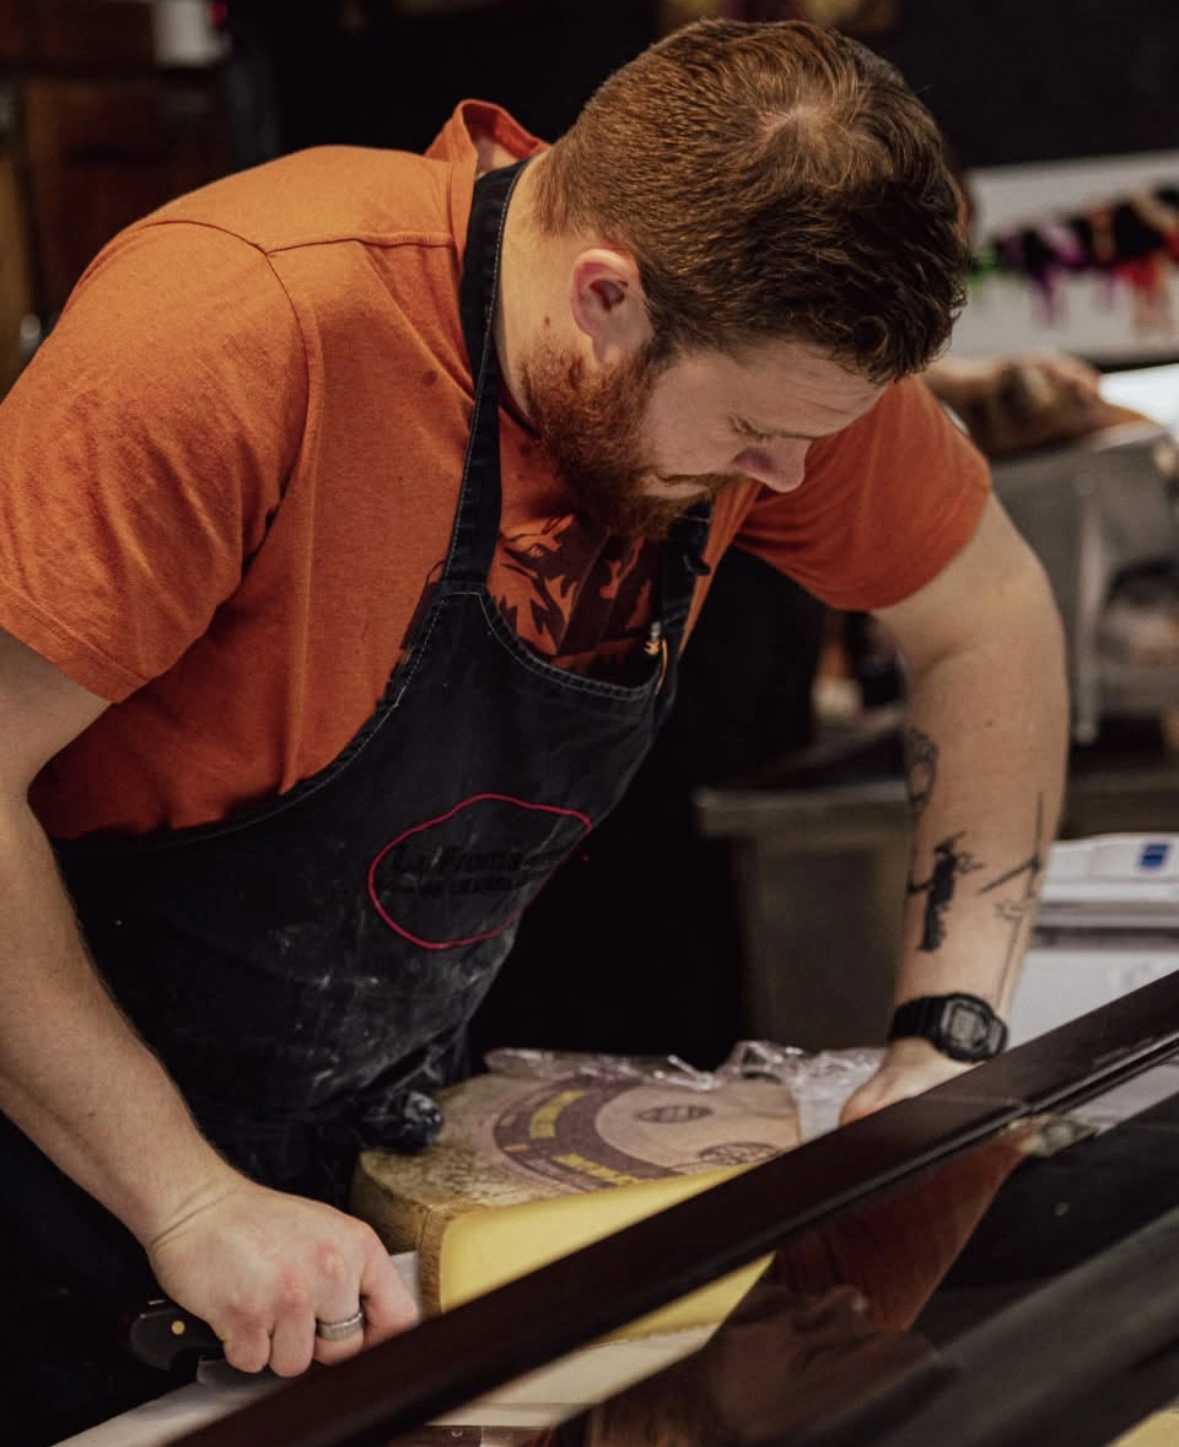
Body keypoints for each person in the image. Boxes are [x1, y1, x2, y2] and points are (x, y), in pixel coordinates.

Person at [0, 15, 1066, 1440]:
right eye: (751, 436)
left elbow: (986, 612)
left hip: (346, 1166)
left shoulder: (771, 357)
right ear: (605, 294)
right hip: (50, 1170)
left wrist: (950, 1034)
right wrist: (186, 1194)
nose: (790, 479)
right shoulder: (239, 333)